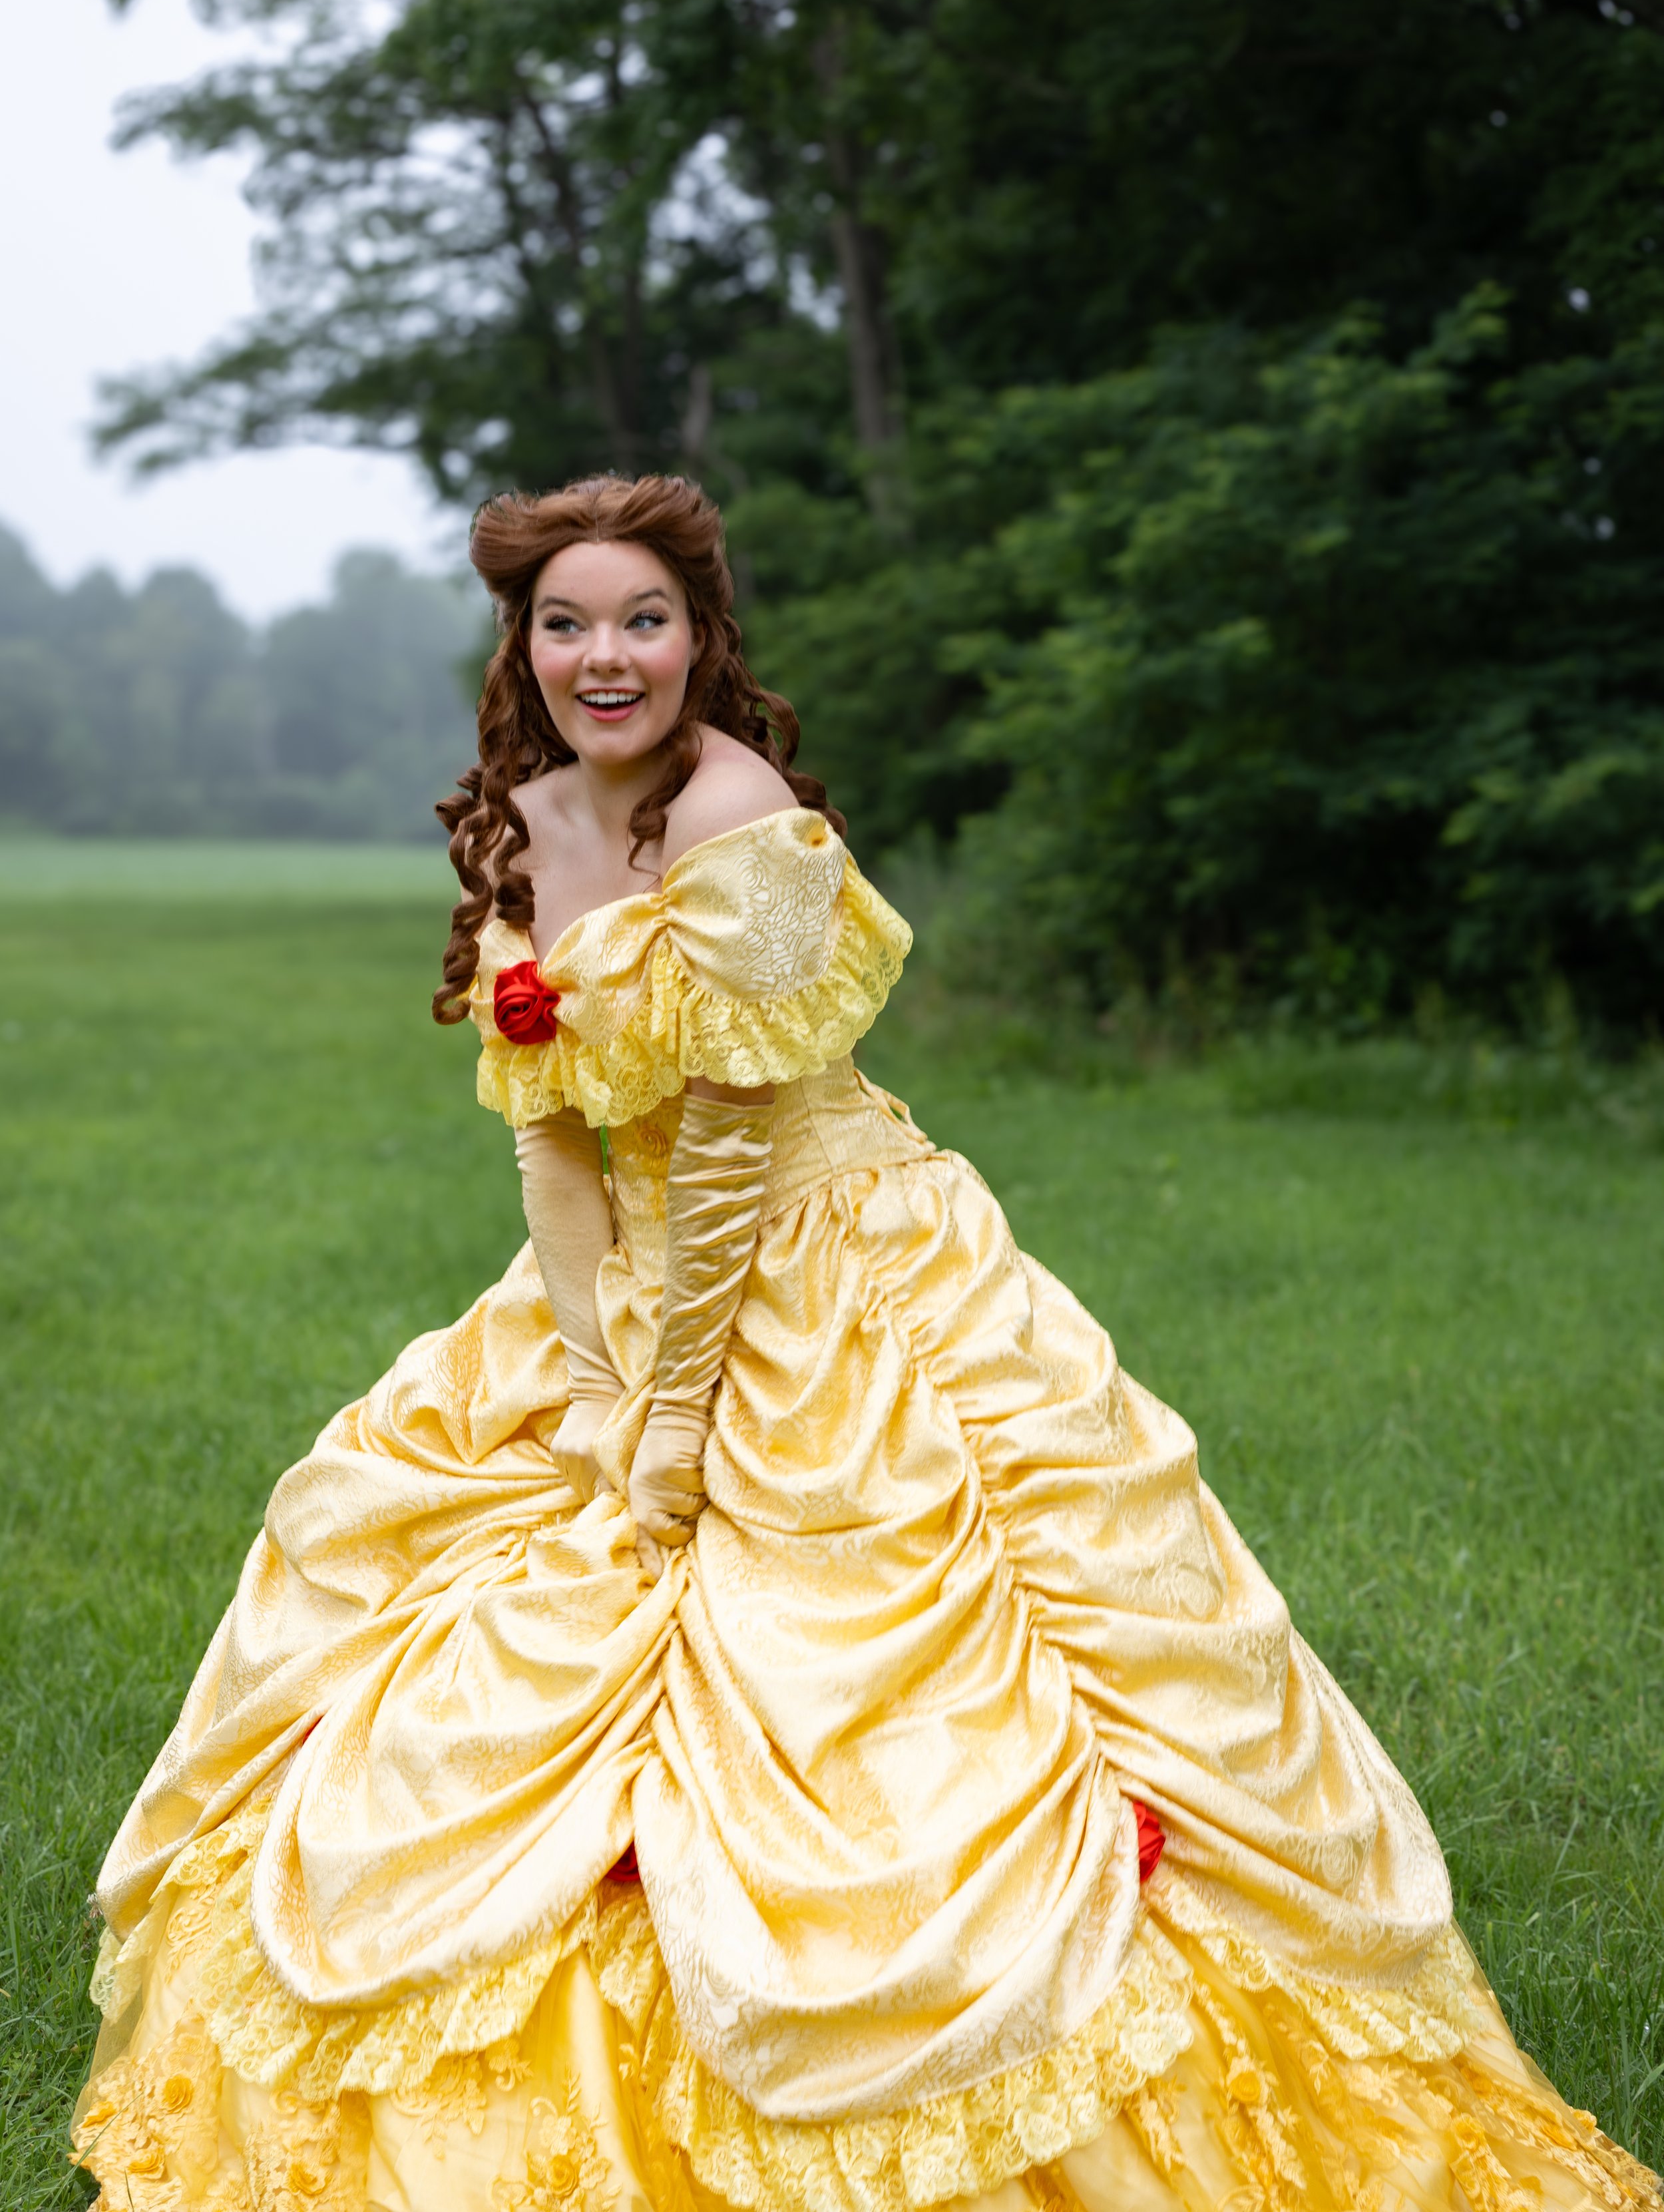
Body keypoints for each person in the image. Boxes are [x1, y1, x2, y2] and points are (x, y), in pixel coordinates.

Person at [73, 475, 1659, 2212]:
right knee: (446, 1582)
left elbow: (733, 1155)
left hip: (829, 1264)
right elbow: (555, 1149)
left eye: (643, 620)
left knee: (878, 1657)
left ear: (700, 638)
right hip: (622, 1286)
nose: (606, 657)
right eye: (566, 624)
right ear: (522, 650)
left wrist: (678, 1430)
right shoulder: (526, 824)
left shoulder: (738, 815)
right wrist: (595, 1390)